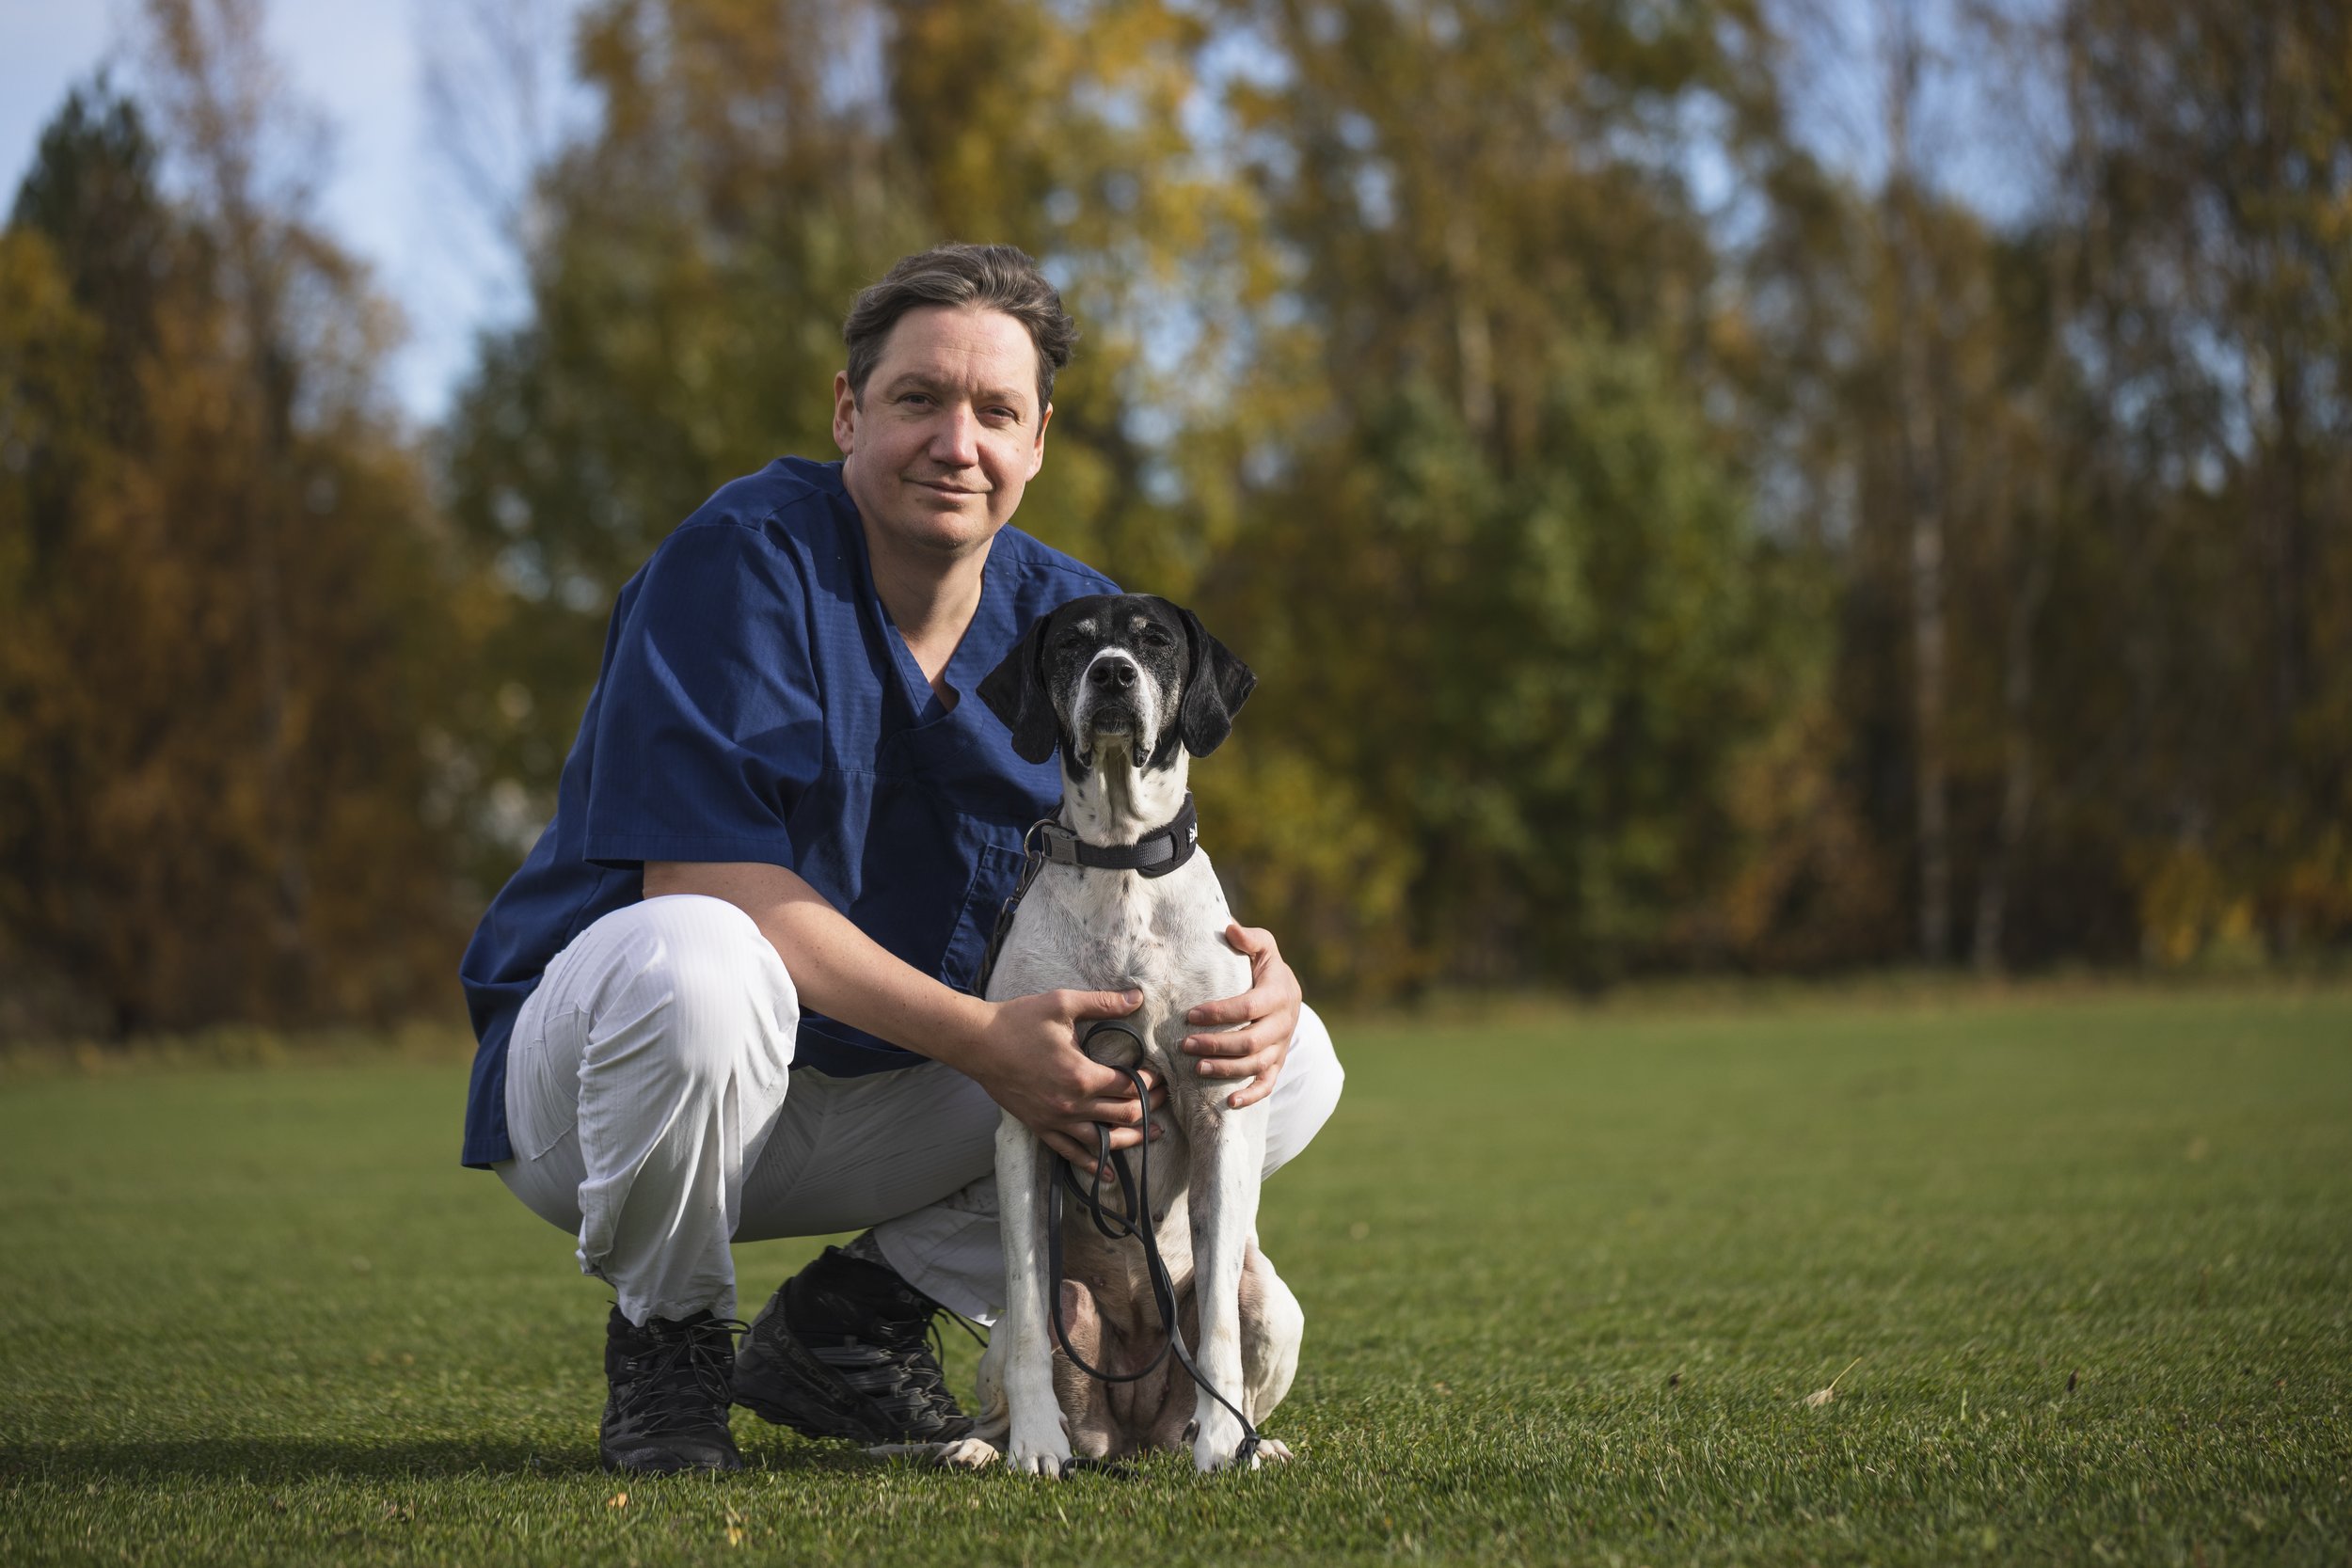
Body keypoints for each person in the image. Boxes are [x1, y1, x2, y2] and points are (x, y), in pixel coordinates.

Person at [456, 243, 1345, 1474]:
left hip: (891, 1093)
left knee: (1276, 1064)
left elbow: (1143, 878)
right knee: (700, 962)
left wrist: (1256, 982)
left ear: (1038, 439)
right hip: (626, 1090)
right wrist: (982, 1041)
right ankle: (667, 1340)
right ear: (848, 411)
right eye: (919, 398)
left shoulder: (1072, 628)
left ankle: (856, 1317)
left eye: (996, 411)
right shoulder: (738, 562)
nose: (956, 443)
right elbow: (702, 880)